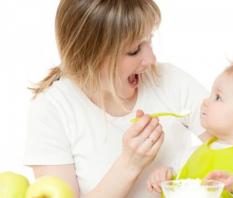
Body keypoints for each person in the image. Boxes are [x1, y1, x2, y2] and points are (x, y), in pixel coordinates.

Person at [23, 0, 210, 197]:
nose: (151, 59)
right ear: (89, 55)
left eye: (149, 40)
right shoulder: (53, 110)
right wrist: (129, 164)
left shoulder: (170, 81)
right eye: (134, 50)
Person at [147, 61, 233, 197]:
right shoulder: (189, 156)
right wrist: (163, 176)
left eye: (218, 97)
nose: (205, 101)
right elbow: (172, 181)